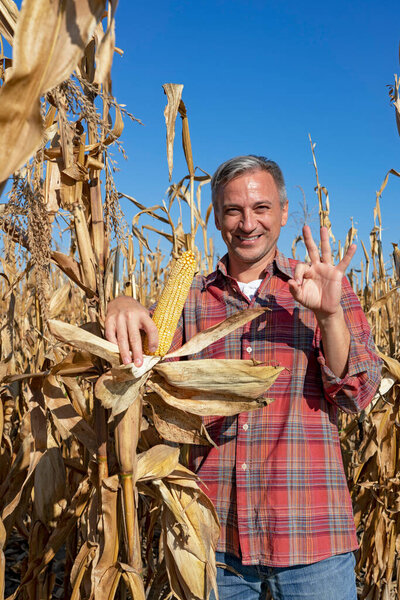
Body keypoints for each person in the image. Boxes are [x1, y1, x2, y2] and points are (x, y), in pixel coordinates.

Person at [105, 156, 382, 600]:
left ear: (284, 212)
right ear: (216, 216)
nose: (247, 223)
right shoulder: (190, 300)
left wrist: (329, 316)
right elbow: (145, 384)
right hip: (215, 540)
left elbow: (356, 393)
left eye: (262, 208)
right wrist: (121, 303)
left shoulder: (323, 286)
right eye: (233, 210)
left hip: (311, 534)